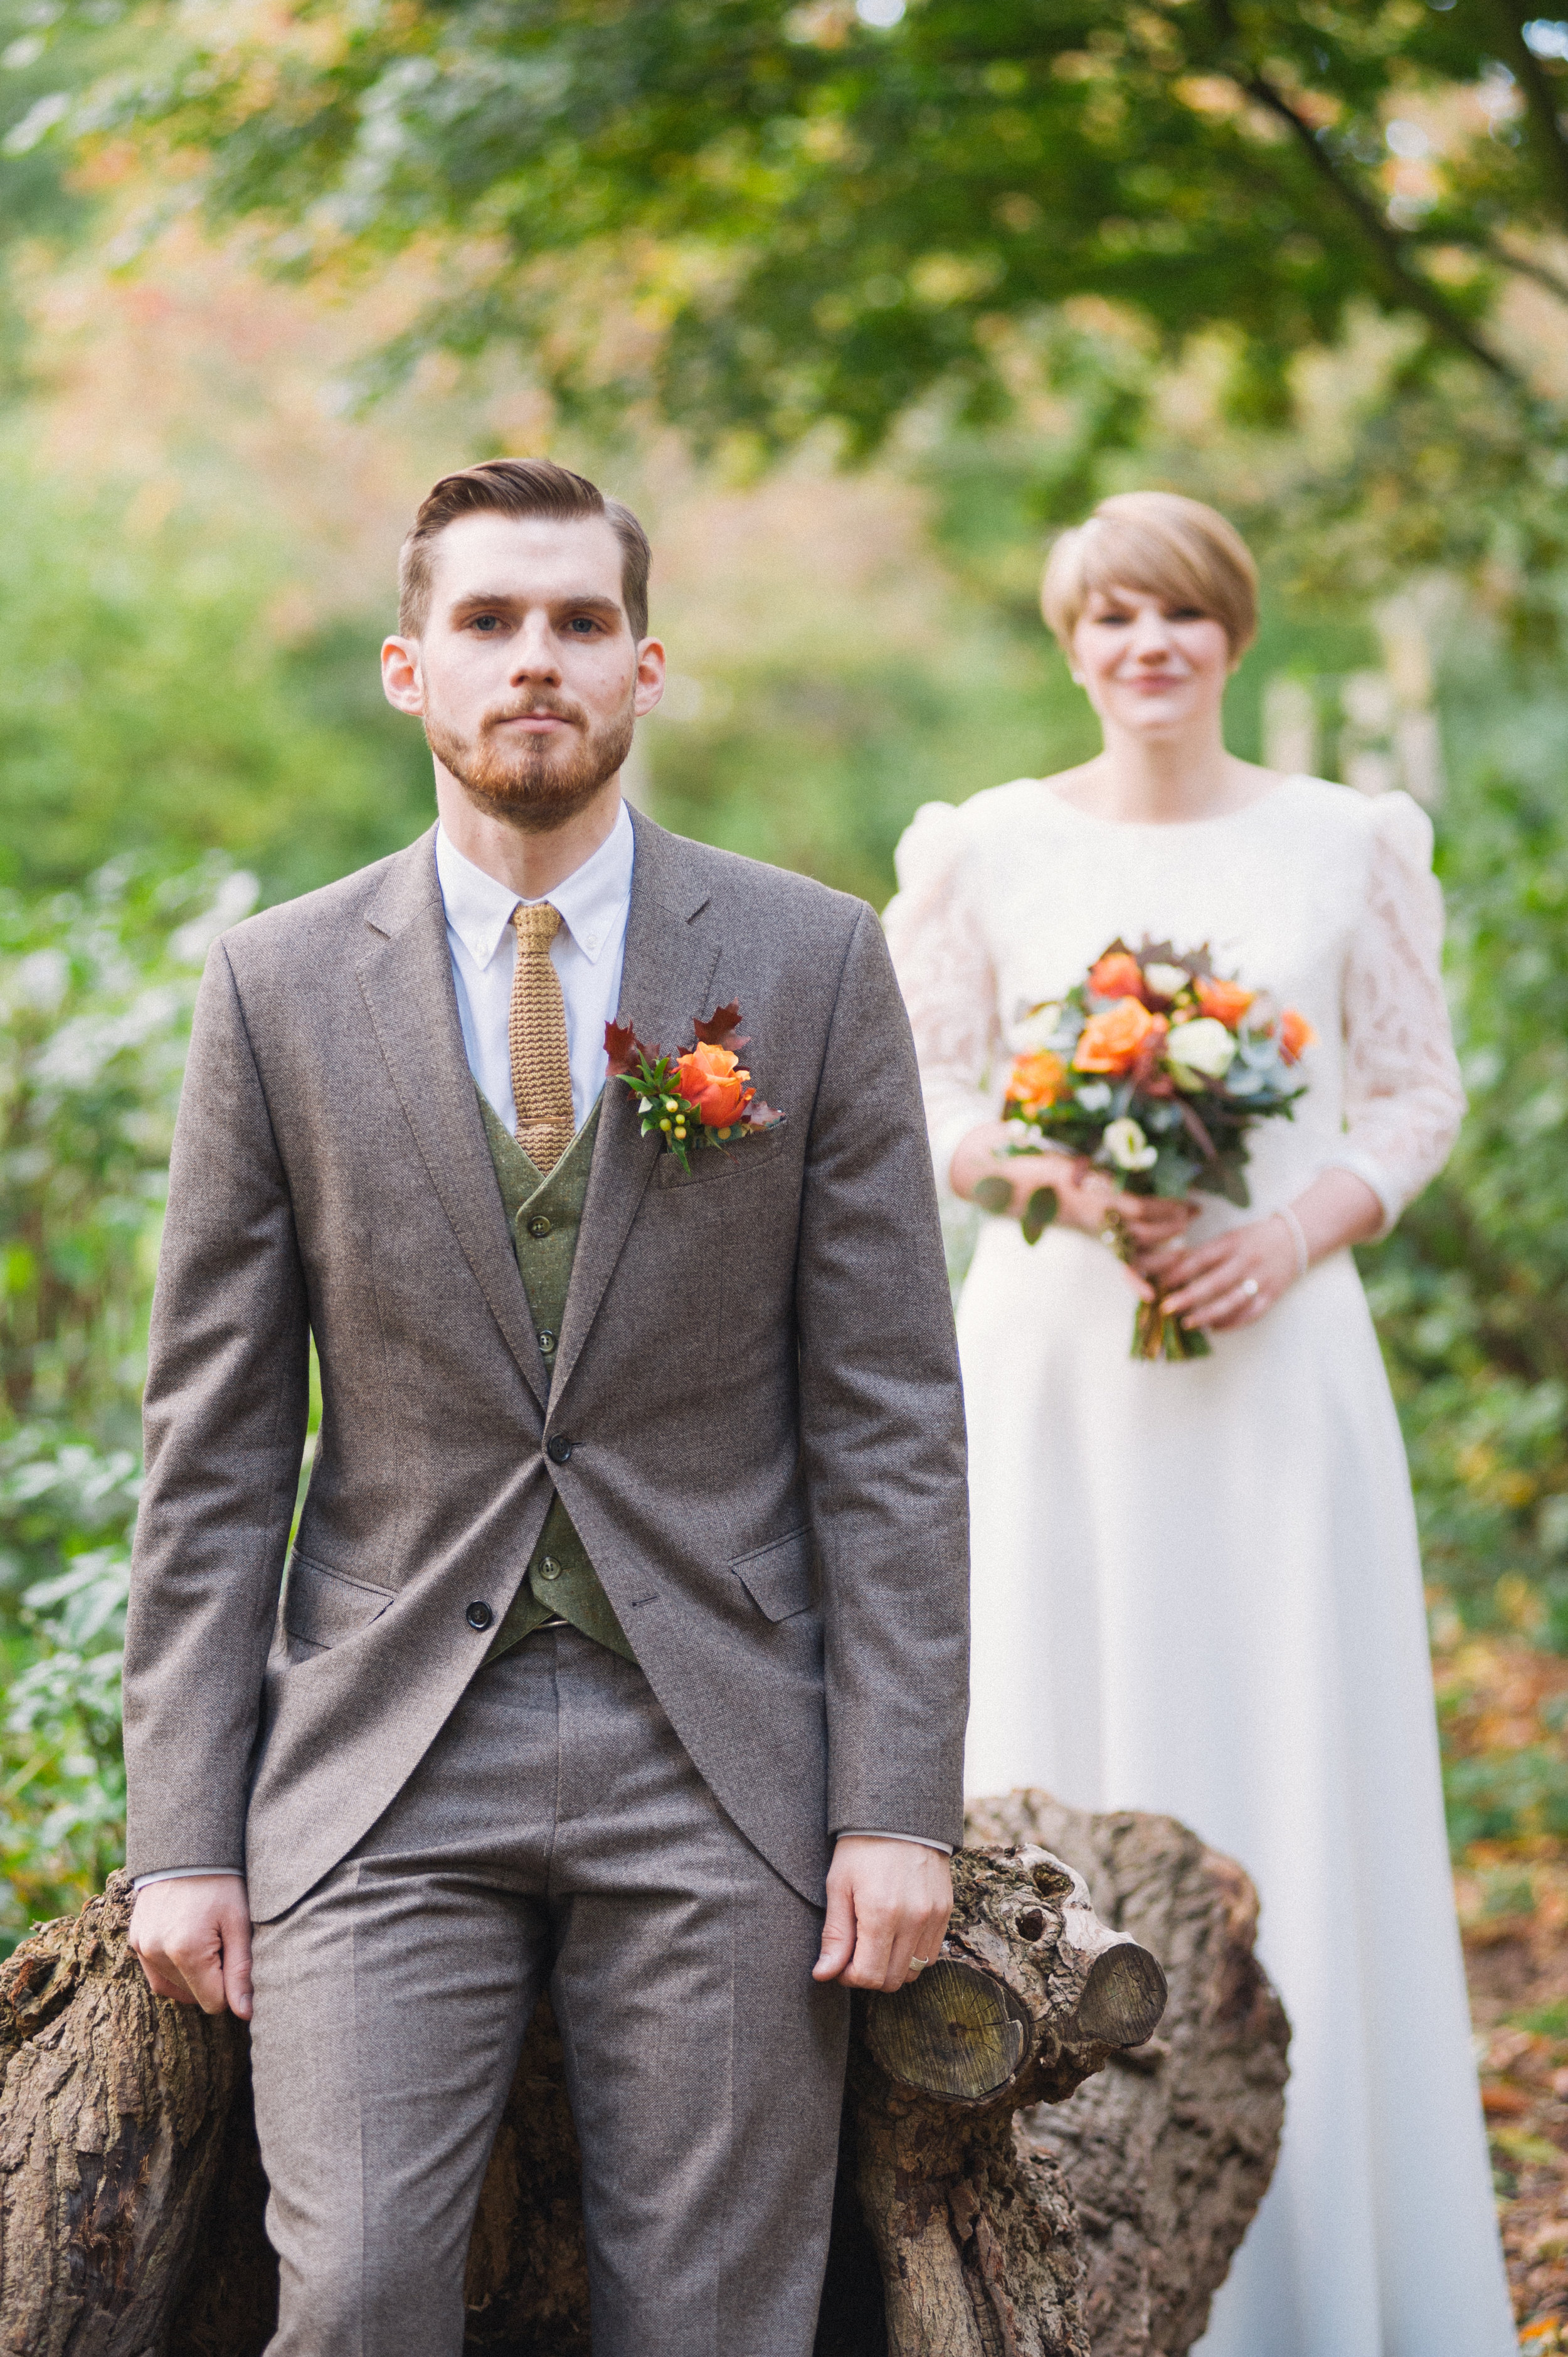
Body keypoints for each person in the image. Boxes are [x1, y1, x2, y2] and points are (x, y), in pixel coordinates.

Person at [122, 458, 968, 2357]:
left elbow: (892, 1419)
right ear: (407, 669)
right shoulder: (272, 990)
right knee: (358, 2300)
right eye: (489, 623)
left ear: (644, 667)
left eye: (578, 623)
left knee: (716, 2325)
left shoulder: (810, 963)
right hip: (383, 1759)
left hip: (723, 1755)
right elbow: (215, 1446)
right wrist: (183, 1829)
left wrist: (895, 1801)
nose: (535, 661)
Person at [884, 491, 1513, 2357]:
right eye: (1110, 618)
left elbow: (1412, 1093)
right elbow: (916, 1086)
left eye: (1179, 614)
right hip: (1058, 1365)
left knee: (1292, 1744)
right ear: (1069, 645)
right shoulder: (978, 848)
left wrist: (1289, 1231)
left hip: (1279, 1370)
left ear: (1231, 633)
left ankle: (1331, 2278)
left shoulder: (1346, 842)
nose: (1145, 646)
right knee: (1058, 1726)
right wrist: (1059, 1182)